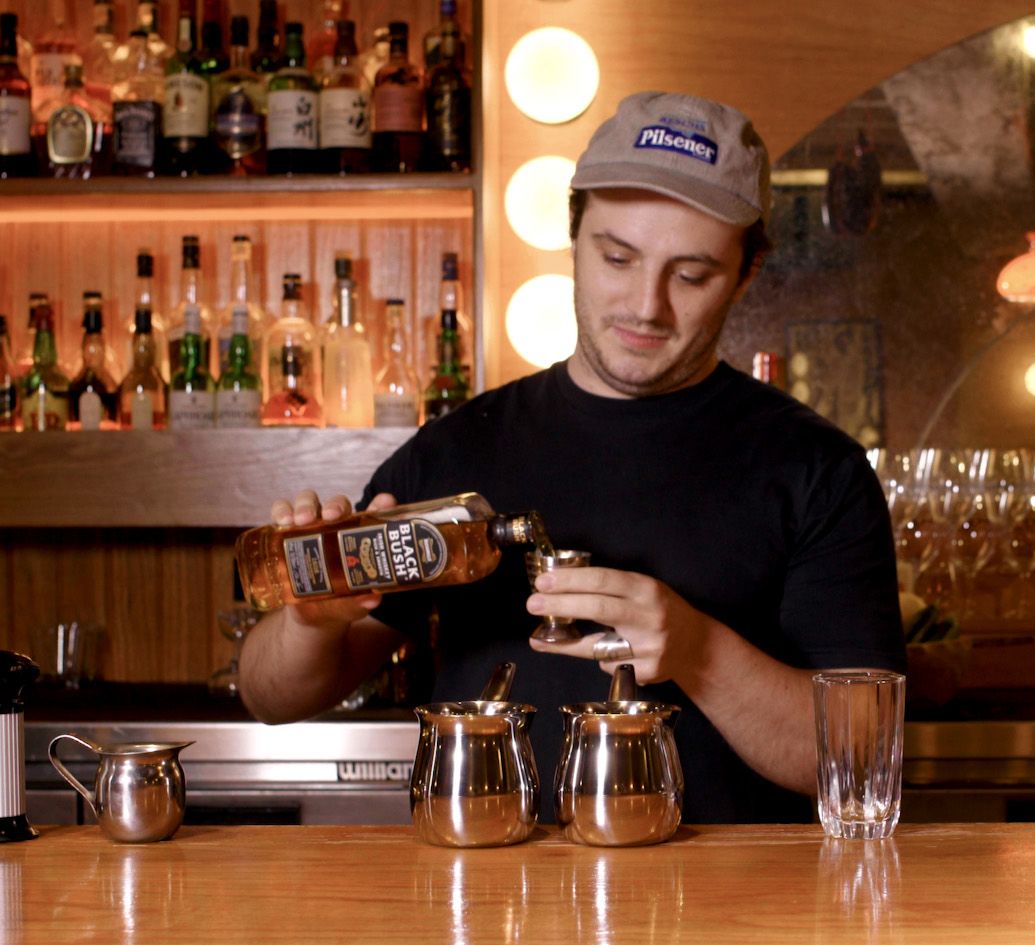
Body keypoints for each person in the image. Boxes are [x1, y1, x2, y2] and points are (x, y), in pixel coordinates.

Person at [239, 90, 906, 823]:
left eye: (691, 275)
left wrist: (697, 649)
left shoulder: (818, 472)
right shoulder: (459, 449)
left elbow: (864, 758)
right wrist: (311, 623)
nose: (647, 305)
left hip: (728, 920)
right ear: (574, 235)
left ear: (746, 273)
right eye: (617, 257)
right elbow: (269, 696)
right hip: (486, 904)